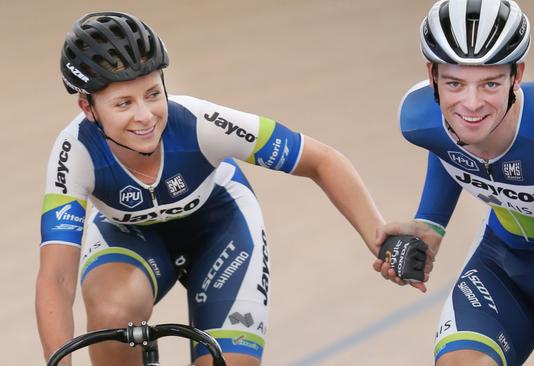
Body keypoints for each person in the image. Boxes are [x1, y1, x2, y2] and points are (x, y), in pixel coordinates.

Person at [36, 11, 384, 366]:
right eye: (124, 103)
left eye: (153, 93)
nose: (145, 116)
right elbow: (57, 277)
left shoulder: (201, 123)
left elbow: (320, 159)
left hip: (220, 227)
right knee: (112, 311)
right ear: (88, 108)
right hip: (130, 237)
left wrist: (379, 237)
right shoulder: (74, 153)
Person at [373, 0, 534, 365]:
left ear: (517, 76)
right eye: (455, 83)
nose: (471, 104)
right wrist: (430, 222)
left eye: (490, 83)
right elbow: (447, 145)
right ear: (432, 76)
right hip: (503, 263)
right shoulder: (418, 118)